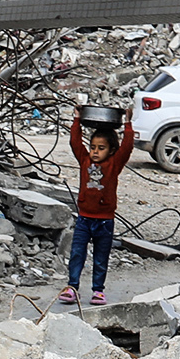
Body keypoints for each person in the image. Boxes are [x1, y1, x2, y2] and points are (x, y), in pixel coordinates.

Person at [64, 108, 136, 306]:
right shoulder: (84, 160)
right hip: (84, 219)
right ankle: (72, 287)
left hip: (105, 221)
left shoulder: (114, 164)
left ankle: (98, 290)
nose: (95, 151)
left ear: (111, 150)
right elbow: (75, 143)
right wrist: (77, 120)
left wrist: (128, 124)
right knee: (77, 253)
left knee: (100, 257)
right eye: (93, 147)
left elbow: (127, 147)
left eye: (101, 148)